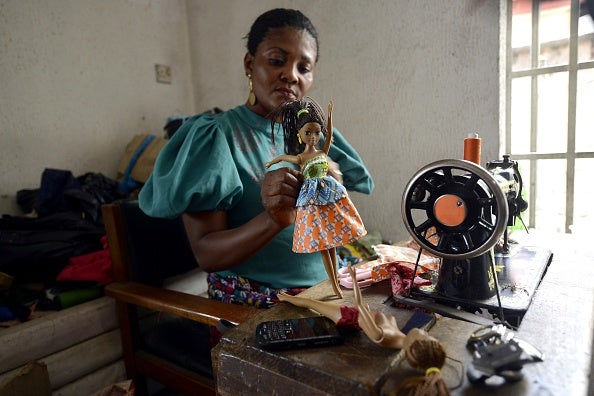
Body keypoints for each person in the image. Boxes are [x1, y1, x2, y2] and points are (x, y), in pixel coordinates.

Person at [139, 8, 374, 308]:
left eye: (304, 67)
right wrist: (272, 220)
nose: (291, 74)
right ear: (250, 64)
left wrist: (333, 197)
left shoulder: (310, 134)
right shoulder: (215, 137)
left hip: (325, 288)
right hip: (254, 301)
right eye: (277, 60)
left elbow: (325, 232)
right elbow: (207, 255)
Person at [278, 265, 450, 396]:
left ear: (415, 344)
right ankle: (288, 298)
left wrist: (354, 280)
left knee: (311, 303)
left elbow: (359, 306)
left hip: (348, 317)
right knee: (312, 303)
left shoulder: (384, 336)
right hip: (361, 315)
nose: (424, 332)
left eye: (426, 336)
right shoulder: (400, 338)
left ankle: (285, 298)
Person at [265, 97, 367, 298]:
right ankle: (335, 284)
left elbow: (328, 138)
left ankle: (336, 281)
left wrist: (329, 116)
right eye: (308, 133)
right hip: (311, 201)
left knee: (332, 243)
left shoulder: (322, 151)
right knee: (323, 246)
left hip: (329, 195)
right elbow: (284, 158)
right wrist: (271, 164)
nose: (313, 137)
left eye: (316, 132)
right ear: (300, 135)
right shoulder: (301, 157)